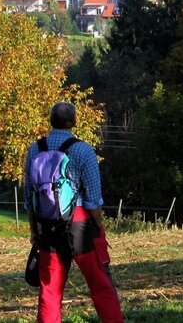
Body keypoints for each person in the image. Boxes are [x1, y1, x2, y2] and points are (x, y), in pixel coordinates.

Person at [24, 102, 125, 323]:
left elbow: (29, 198)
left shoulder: (34, 149)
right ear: (74, 122)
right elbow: (92, 200)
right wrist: (99, 229)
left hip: (47, 224)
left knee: (50, 289)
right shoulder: (83, 150)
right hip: (80, 223)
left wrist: (34, 232)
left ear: (50, 121)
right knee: (100, 283)